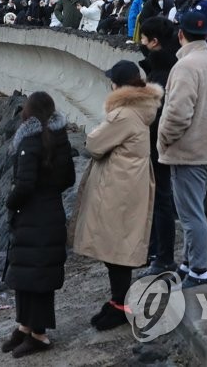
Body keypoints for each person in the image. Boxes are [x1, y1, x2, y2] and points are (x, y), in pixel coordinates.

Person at [74, 60, 161, 331]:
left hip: (118, 187)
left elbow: (94, 144)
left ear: (118, 85)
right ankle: (117, 302)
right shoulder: (141, 109)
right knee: (120, 245)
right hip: (130, 184)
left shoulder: (124, 114)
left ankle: (121, 305)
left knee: (116, 247)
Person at [2, 92, 76, 357]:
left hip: (32, 215)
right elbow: (69, 178)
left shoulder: (29, 140)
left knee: (33, 275)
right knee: (30, 274)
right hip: (51, 212)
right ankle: (25, 328)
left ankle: (40, 336)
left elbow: (24, 184)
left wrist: (10, 203)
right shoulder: (61, 138)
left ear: (28, 112)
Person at [158, 11, 207, 287]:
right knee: (193, 210)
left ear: (180, 34)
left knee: (190, 216)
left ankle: (200, 270)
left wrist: (163, 139)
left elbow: (177, 113)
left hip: (188, 151)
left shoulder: (185, 67)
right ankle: (188, 263)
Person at [138, 16, 180, 276]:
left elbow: (161, 115)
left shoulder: (161, 75)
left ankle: (162, 256)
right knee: (158, 200)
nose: (140, 43)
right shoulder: (167, 67)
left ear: (154, 42)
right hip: (158, 146)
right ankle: (154, 251)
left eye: (143, 38)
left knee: (161, 200)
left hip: (157, 147)